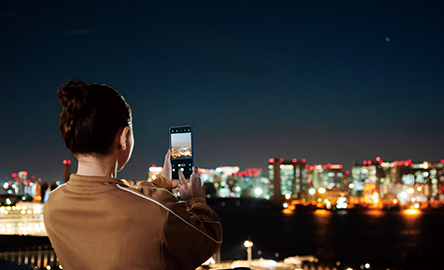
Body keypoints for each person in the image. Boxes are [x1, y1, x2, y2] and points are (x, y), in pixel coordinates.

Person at [43, 80, 223, 270]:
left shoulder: (53, 206)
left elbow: (128, 200)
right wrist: (196, 201)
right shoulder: (156, 211)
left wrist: (163, 182)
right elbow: (208, 238)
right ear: (123, 137)